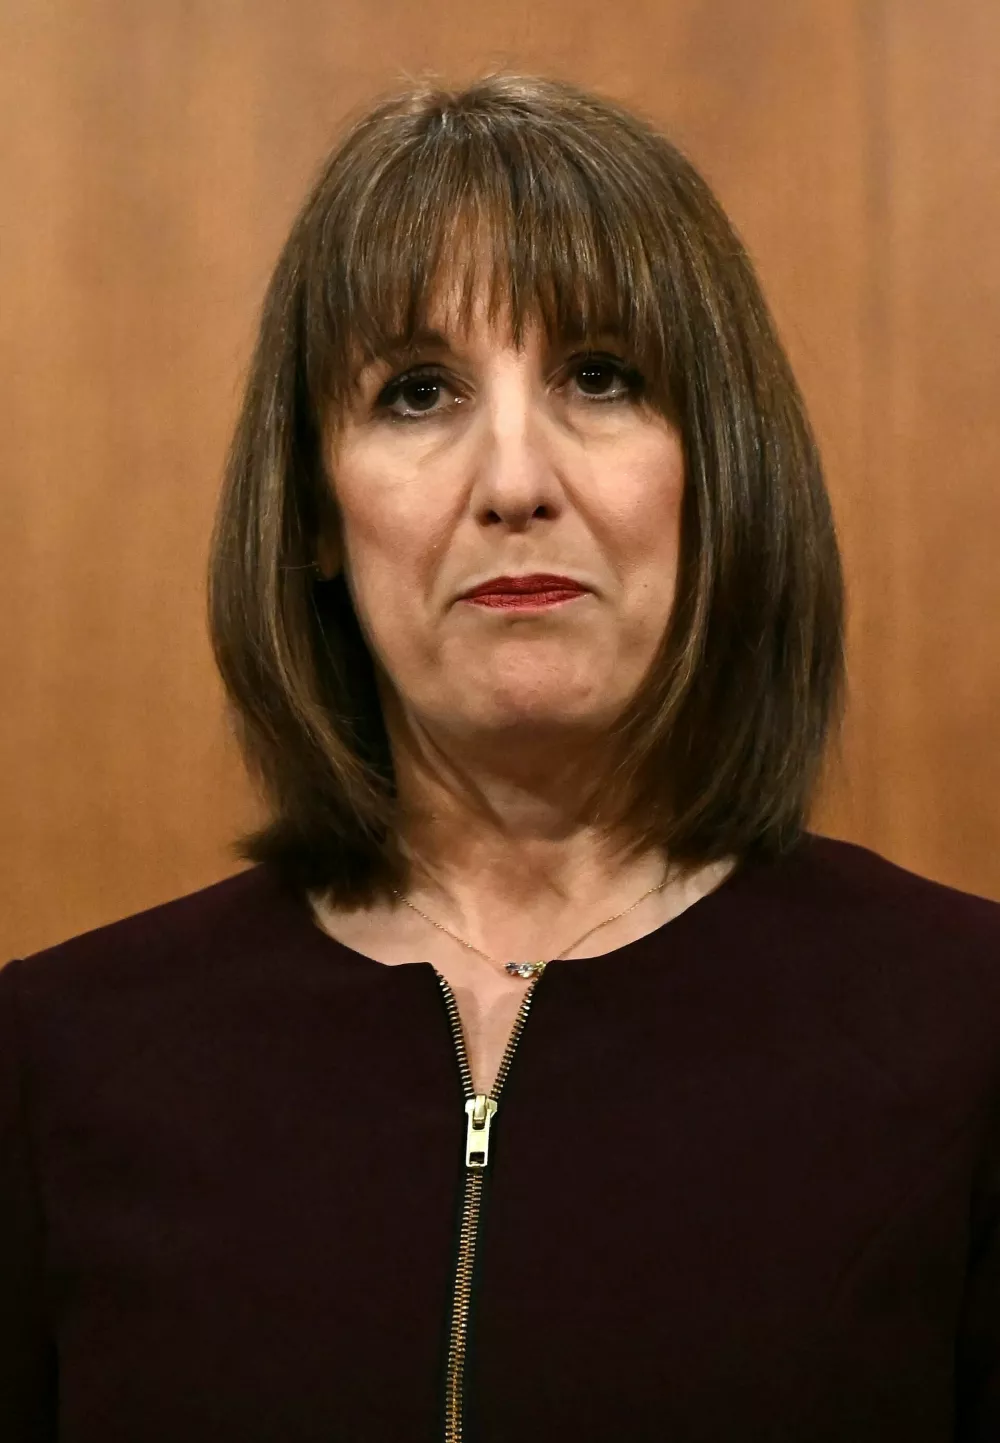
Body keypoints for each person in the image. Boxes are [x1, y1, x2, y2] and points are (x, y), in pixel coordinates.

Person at [2, 73, 998, 1443]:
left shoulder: (969, 1030)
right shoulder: (59, 1061)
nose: (514, 477)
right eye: (417, 393)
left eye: (602, 376)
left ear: (716, 470)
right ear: (313, 510)